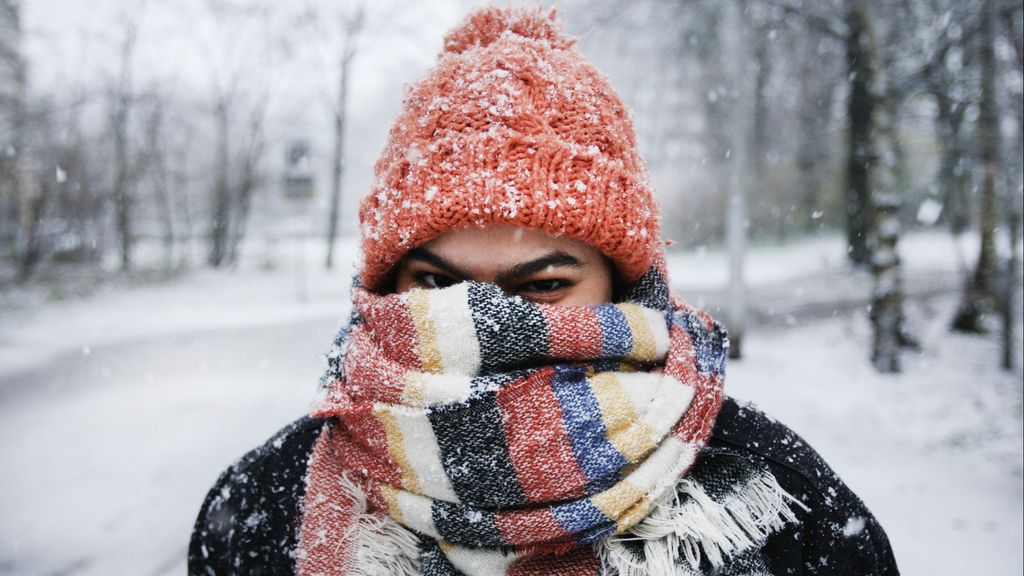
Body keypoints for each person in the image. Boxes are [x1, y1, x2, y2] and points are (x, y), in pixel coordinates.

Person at [189, 7, 899, 575]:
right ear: (385, 288)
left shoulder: (778, 505)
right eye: (436, 282)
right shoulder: (264, 508)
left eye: (545, 285)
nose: (482, 320)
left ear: (625, 288)